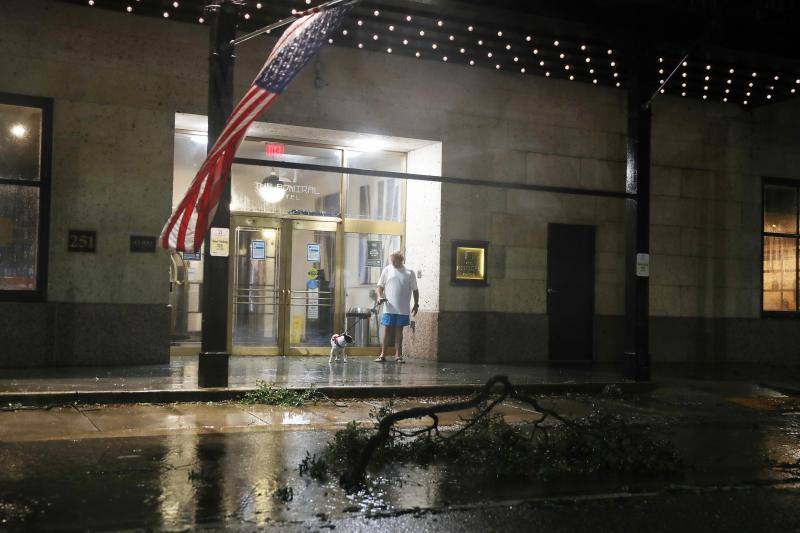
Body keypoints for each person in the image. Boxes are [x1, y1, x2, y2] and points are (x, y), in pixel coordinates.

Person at [375, 251, 419, 363]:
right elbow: (380, 286)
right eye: (391, 260)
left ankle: (398, 355)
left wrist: (416, 304)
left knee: (399, 331)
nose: (392, 262)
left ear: (401, 260)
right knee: (387, 330)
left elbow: (415, 290)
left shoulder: (410, 272)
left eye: (394, 260)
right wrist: (379, 297)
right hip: (389, 307)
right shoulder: (387, 270)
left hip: (403, 308)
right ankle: (383, 354)